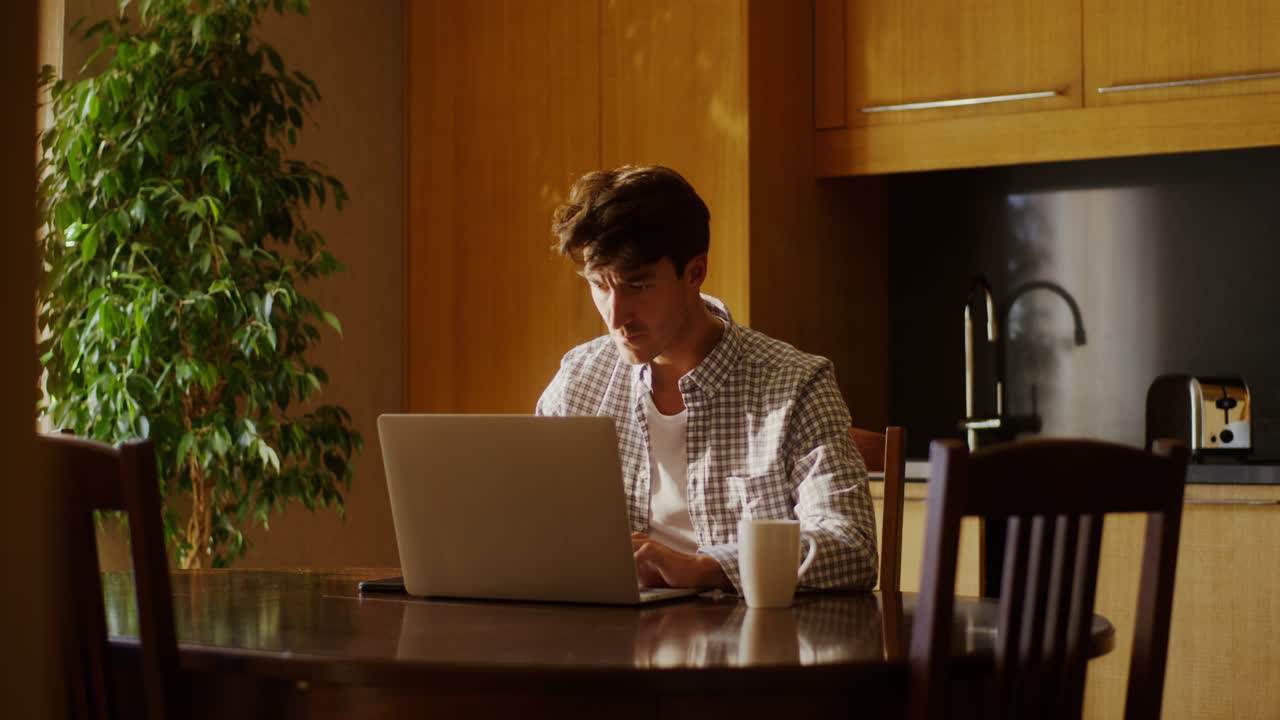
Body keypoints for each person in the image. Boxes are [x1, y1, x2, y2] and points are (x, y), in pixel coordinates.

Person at [535, 165, 877, 593]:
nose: (616, 316)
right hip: (607, 631)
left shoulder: (794, 385)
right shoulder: (579, 381)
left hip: (746, 632)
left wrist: (705, 568)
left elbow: (851, 546)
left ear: (694, 272)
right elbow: (531, 527)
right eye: (600, 286)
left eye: (637, 286)